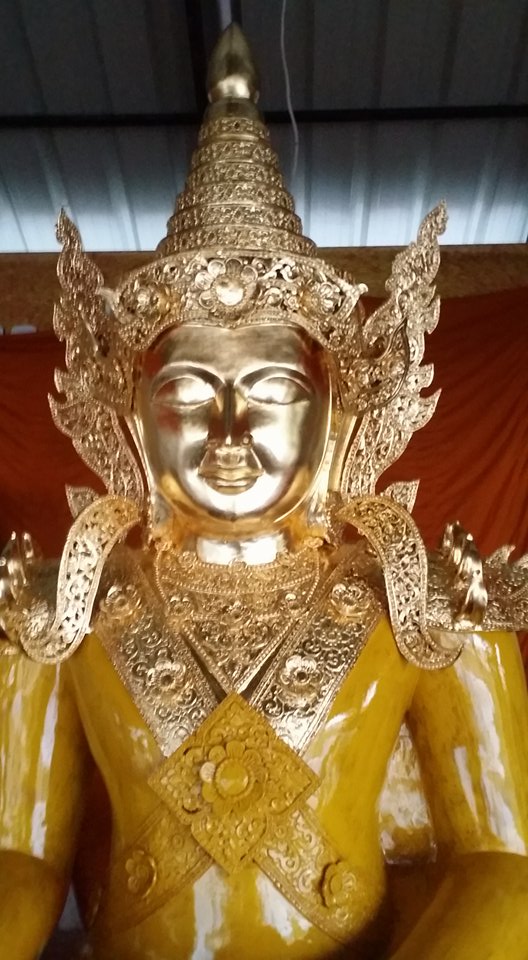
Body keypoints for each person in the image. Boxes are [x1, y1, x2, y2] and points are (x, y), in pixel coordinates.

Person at [1, 24, 528, 960]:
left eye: (274, 391)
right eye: (188, 395)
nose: (230, 432)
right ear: (134, 423)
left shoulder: (432, 602)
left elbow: (503, 862)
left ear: (336, 418)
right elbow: (20, 854)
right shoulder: (60, 609)